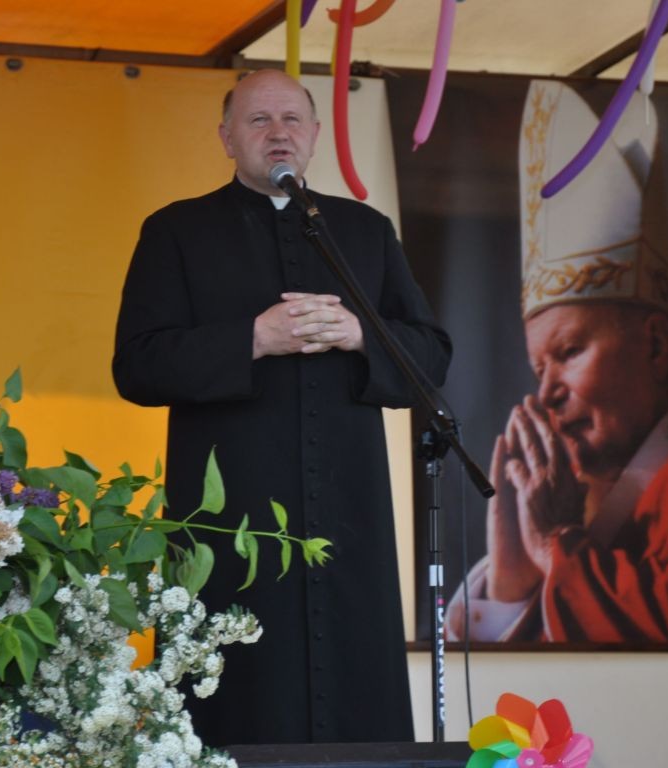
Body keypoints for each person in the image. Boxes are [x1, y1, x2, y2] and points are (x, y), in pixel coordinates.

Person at [112, 69, 451, 746]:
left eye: (292, 119)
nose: (278, 134)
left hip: (350, 517)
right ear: (226, 137)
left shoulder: (364, 230)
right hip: (228, 521)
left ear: (316, 135)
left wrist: (359, 332)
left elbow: (431, 356)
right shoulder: (176, 231)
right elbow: (138, 365)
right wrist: (253, 339)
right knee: (239, 695)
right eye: (258, 120)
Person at [444, 80, 668, 643]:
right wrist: (512, 572)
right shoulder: (588, 489)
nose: (547, 393)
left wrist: (557, 538)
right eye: (540, 369)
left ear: (655, 345)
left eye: (569, 353)